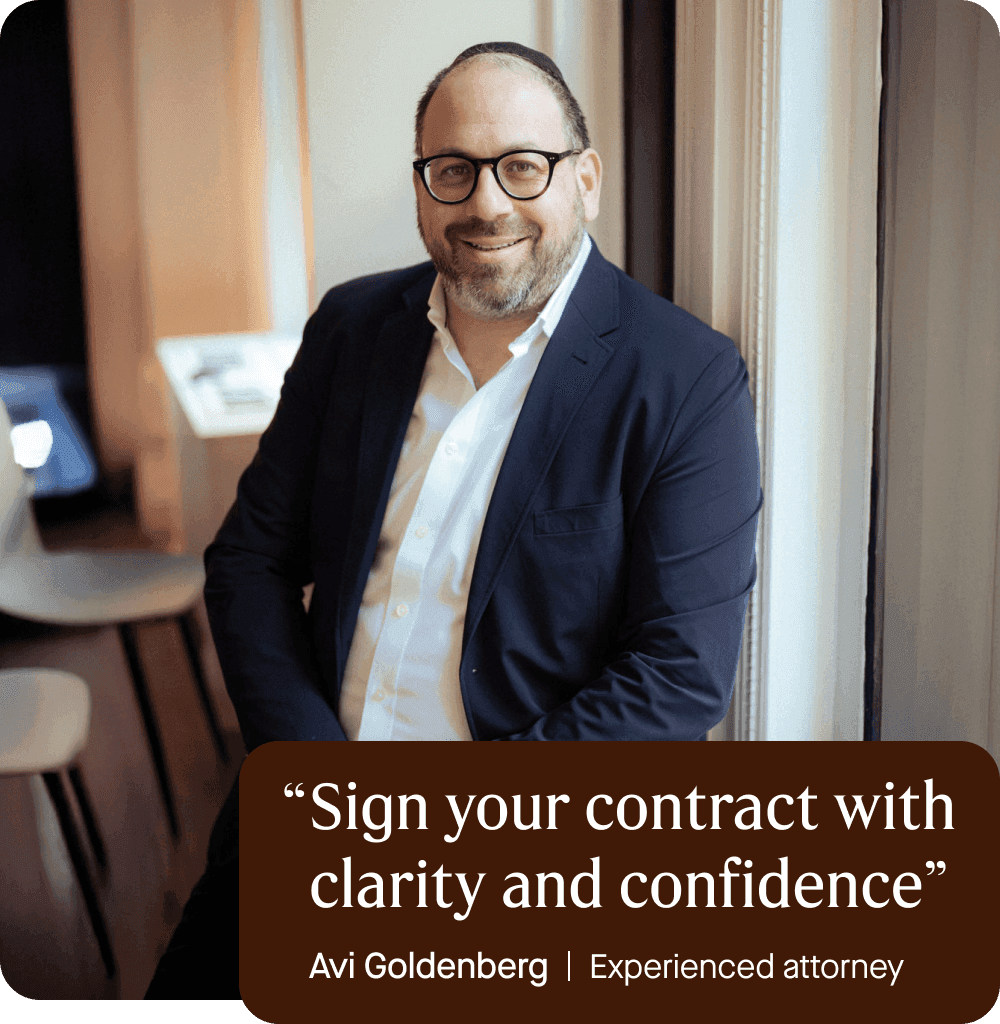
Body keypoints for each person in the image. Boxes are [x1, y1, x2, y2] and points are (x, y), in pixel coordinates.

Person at [145, 40, 760, 999]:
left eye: (524, 165)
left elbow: (679, 674)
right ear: (423, 186)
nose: (486, 203)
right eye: (453, 171)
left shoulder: (684, 379)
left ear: (585, 180)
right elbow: (250, 560)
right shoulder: (352, 328)